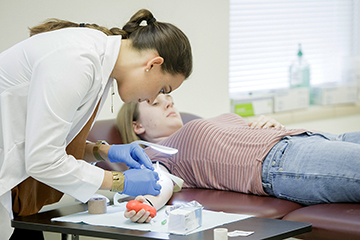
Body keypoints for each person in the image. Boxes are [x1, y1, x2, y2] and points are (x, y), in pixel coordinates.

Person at [0, 9, 193, 239]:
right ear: (153, 64)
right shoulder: (79, 61)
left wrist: (104, 151)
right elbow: (43, 159)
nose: (154, 99)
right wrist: (119, 181)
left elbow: (53, 141)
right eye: (163, 89)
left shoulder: (101, 67)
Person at [117, 94, 360, 223]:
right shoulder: (158, 153)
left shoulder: (200, 124)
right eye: (155, 102)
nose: (168, 102)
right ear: (136, 125)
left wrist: (270, 126)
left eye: (169, 99)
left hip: (309, 138)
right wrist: (147, 204)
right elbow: (159, 182)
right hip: (280, 162)